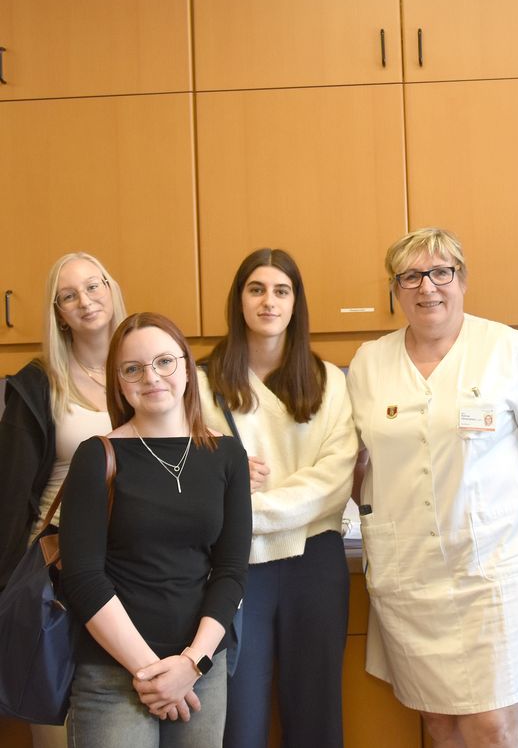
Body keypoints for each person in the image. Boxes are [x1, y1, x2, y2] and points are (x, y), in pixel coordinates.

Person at [346, 227, 518, 748]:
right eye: (411, 276)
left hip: (495, 573)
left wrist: (504, 519)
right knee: (440, 725)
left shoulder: (505, 348)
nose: (428, 287)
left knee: (491, 727)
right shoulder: (368, 364)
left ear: (462, 280)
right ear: (395, 290)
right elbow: (357, 462)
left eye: (441, 272)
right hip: (411, 574)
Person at [58, 312, 252, 747]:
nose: (152, 377)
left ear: (186, 368)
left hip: (201, 669)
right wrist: (151, 673)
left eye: (164, 362)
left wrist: (190, 665)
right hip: (112, 672)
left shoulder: (227, 455)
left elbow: (232, 571)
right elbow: (84, 579)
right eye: (133, 369)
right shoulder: (96, 456)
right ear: (120, 383)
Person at [198, 248, 357, 748]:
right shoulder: (199, 383)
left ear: (296, 303)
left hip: (315, 561)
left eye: (281, 291)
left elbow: (334, 479)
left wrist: (242, 506)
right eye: (257, 289)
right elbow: (183, 474)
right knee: (237, 718)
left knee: (316, 715)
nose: (269, 301)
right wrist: (221, 478)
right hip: (234, 567)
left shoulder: (329, 380)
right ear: (239, 299)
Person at [0, 252, 127, 748]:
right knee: (57, 722)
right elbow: (11, 496)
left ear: (112, 289)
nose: (86, 301)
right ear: (58, 312)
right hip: (59, 576)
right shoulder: (37, 383)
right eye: (69, 295)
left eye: (94, 287)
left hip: (134, 569)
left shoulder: (143, 366)